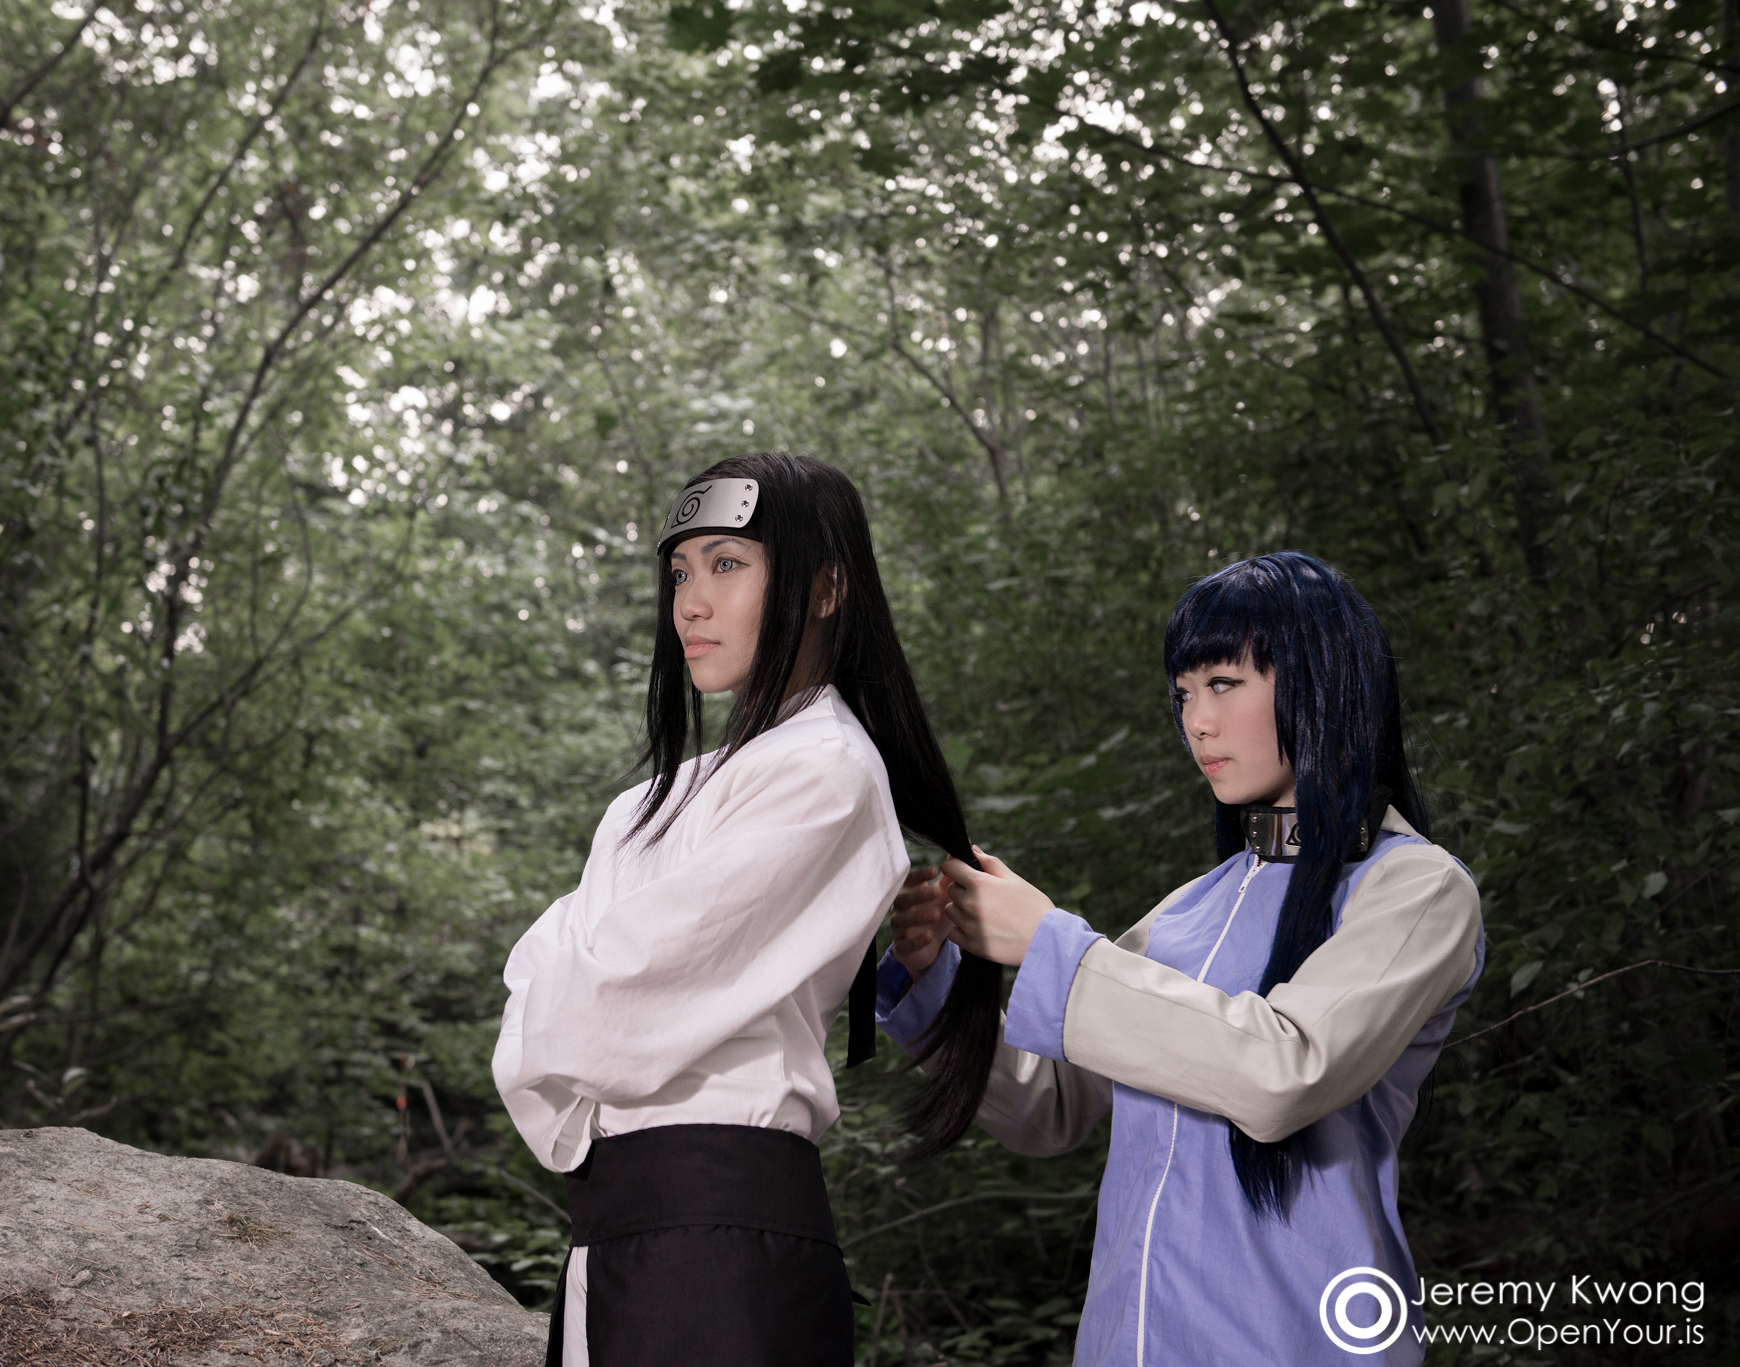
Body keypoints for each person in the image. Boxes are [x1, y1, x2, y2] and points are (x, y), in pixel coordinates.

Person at [879, 551, 1486, 1366]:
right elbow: (1045, 1107)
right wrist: (933, 983)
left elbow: (1285, 1071)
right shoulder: (1184, 912)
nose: (1197, 721)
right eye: (1182, 694)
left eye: (1223, 683)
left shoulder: (1414, 887)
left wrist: (1052, 944)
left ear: (1324, 678)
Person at [493, 453, 977, 1366]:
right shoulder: (645, 804)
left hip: (723, 1244)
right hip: (613, 1234)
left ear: (825, 587)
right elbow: (544, 1004)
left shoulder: (827, 771)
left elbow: (593, 1010)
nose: (691, 603)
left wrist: (574, 971)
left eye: (727, 564)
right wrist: (572, 983)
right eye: (681, 572)